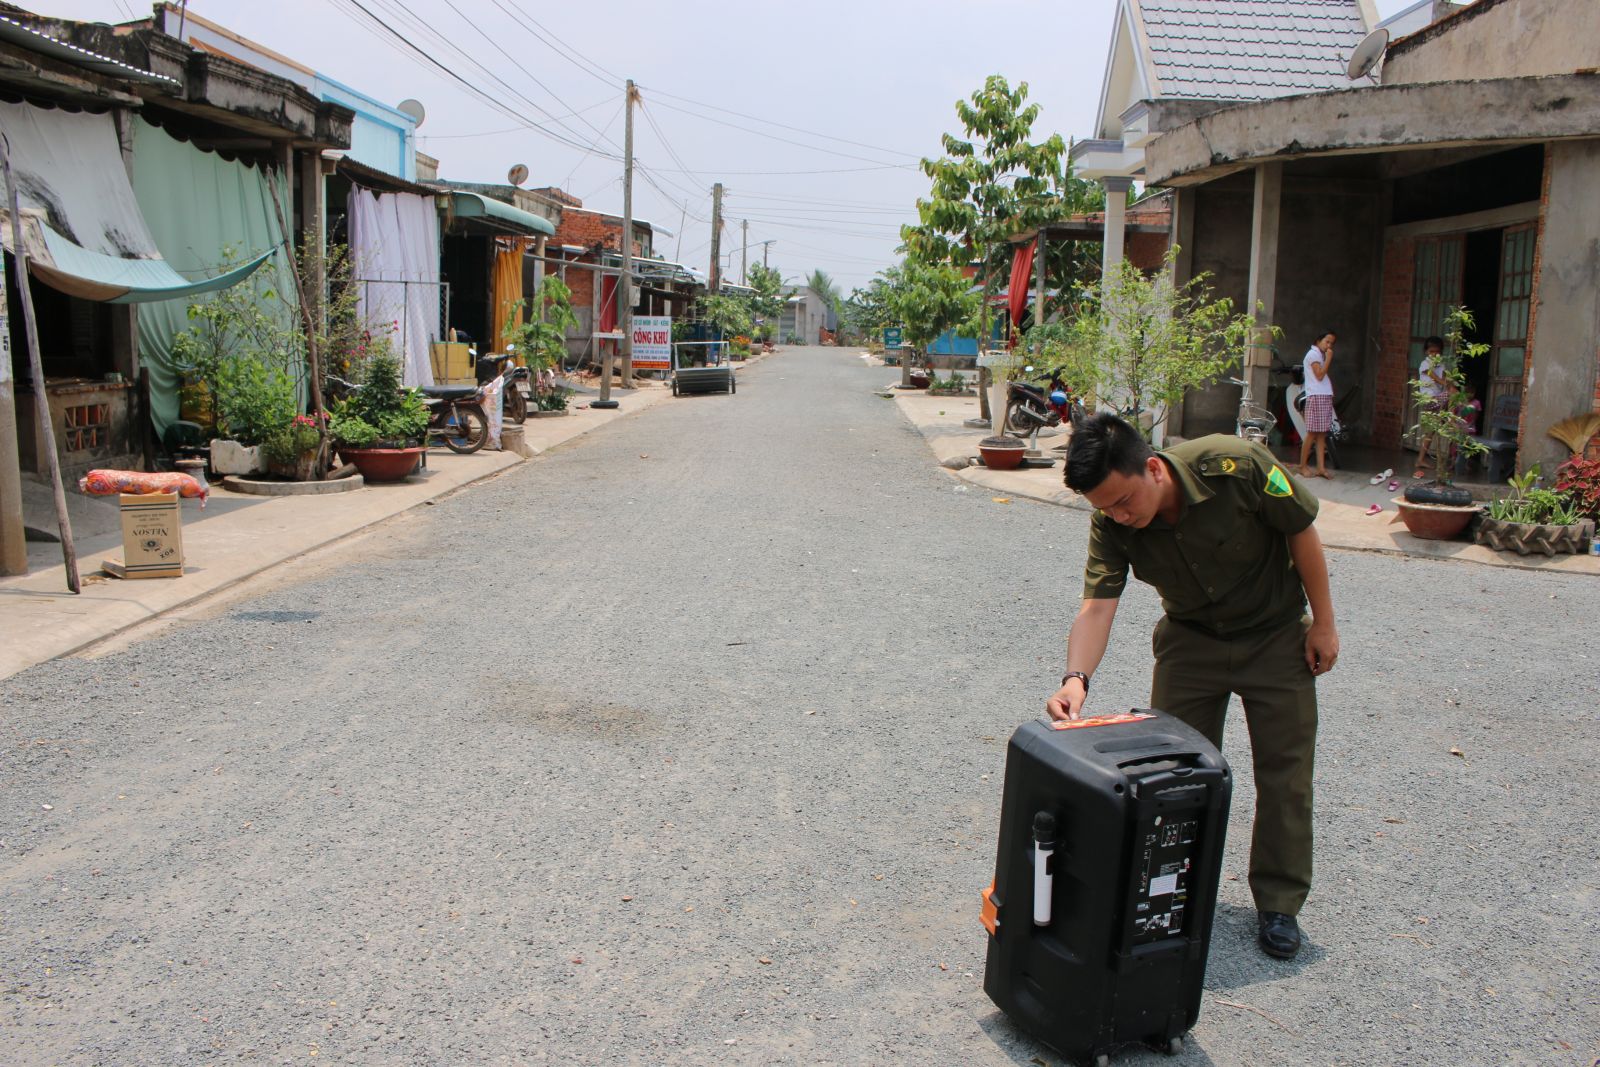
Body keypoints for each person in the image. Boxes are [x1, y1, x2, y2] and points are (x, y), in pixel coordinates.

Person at [1048, 413, 1339, 960]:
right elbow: (1097, 606)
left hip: (1275, 637)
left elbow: (1301, 532)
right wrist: (1075, 679)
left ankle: (1279, 904)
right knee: (1175, 780)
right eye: (1105, 508)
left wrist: (1323, 623)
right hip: (1191, 644)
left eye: (1123, 501)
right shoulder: (1111, 521)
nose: (1119, 516)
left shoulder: (1237, 466)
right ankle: (1175, 893)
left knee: (1286, 774)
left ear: (1153, 468)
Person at [1297, 332, 1337, 478]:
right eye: (1327, 342)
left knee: (1321, 434)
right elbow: (1319, 375)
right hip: (1316, 395)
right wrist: (1329, 359)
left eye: (1331, 343)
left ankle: (1321, 467)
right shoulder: (1313, 354)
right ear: (1318, 340)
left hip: (1323, 395)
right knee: (1312, 433)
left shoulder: (1319, 355)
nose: (1329, 346)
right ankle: (1302, 466)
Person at [1413, 336, 1449, 478]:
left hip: (1438, 398)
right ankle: (1451, 418)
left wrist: (1447, 382)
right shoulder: (1425, 364)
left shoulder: (1442, 365)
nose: (1434, 354)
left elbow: (1445, 378)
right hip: (1429, 398)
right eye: (1431, 351)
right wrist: (1444, 383)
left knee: (1431, 431)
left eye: (1437, 352)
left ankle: (1420, 459)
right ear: (1426, 352)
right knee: (1452, 394)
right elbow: (1431, 374)